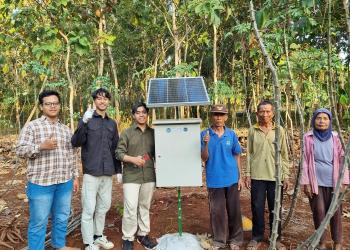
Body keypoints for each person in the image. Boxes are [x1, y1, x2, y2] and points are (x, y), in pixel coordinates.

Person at [16, 90, 79, 250]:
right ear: (41, 106)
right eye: (48, 103)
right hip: (40, 183)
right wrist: (40, 147)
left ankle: (59, 245)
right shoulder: (32, 127)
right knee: (39, 221)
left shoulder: (65, 129)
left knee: (62, 216)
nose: (52, 106)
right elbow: (20, 150)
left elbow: (72, 154)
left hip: (64, 181)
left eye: (55, 103)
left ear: (59, 105)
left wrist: (75, 176)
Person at [71, 88, 121, 250]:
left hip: (107, 172)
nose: (102, 101)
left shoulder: (112, 123)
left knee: (104, 206)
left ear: (108, 101)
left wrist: (118, 170)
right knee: (89, 208)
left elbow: (115, 148)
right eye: (99, 98)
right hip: (91, 172)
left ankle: (98, 236)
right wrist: (83, 123)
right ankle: (88, 242)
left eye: (105, 98)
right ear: (94, 101)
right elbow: (75, 142)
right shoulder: (86, 120)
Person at [300, 108, 349, 250]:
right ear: (314, 120)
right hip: (316, 182)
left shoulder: (336, 137)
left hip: (334, 182)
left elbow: (342, 159)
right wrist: (306, 182)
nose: (321, 121)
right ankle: (322, 241)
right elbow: (304, 160)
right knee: (319, 211)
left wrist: (344, 181)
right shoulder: (308, 137)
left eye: (325, 118)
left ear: (330, 121)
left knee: (335, 212)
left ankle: (338, 242)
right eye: (318, 118)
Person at [244, 100, 290, 250]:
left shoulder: (280, 130)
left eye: (268, 111)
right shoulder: (252, 130)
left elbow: (284, 154)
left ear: (273, 113)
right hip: (257, 175)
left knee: (275, 208)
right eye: (262, 111)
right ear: (257, 113)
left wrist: (286, 175)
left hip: (275, 177)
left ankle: (275, 238)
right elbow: (249, 154)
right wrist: (247, 173)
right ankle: (257, 237)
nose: (265, 114)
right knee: (257, 207)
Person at [201, 104, 243, 250]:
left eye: (221, 114)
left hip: (231, 178)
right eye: (215, 114)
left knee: (234, 210)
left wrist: (240, 176)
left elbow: (236, 154)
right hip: (214, 179)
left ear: (226, 117)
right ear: (211, 116)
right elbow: (204, 158)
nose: (218, 117)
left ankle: (236, 240)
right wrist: (206, 144)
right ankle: (219, 240)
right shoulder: (204, 134)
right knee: (217, 211)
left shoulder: (231, 134)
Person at [116, 102, 157, 250]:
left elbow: (158, 154)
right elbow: (118, 153)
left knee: (144, 206)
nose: (141, 115)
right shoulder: (127, 133)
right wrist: (133, 159)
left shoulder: (153, 133)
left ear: (147, 115)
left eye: (144, 112)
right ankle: (128, 237)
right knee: (130, 208)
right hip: (131, 176)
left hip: (148, 175)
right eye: (138, 112)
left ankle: (143, 234)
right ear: (133, 115)